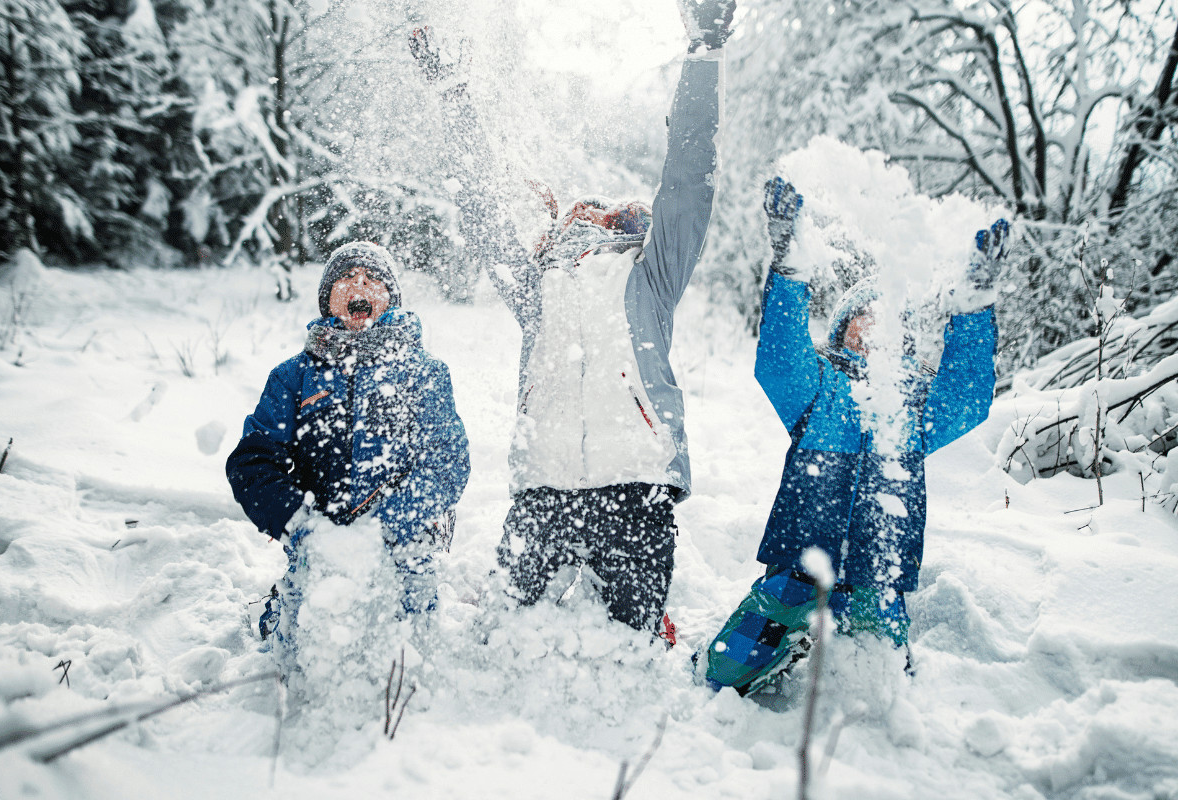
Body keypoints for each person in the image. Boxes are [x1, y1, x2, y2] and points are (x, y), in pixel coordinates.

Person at [408, 0, 736, 636]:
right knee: (502, 636)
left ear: (620, 222)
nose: (587, 215)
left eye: (601, 210)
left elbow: (688, 179)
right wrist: (451, 93)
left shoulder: (651, 275)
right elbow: (479, 210)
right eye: (575, 211)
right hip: (543, 488)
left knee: (628, 648)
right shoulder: (536, 290)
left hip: (635, 486)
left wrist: (703, 55)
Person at [702, 177, 1007, 694]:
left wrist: (974, 306)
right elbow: (778, 362)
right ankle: (781, 649)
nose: (873, 326)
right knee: (725, 671)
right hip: (802, 561)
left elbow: (968, 398)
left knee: (881, 686)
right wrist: (789, 272)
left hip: (878, 567)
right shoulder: (818, 384)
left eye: (885, 319)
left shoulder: (913, 402)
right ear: (842, 327)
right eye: (862, 317)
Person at [225, 241, 470, 652]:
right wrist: (302, 526)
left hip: (403, 541)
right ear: (328, 301)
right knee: (305, 650)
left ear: (389, 299)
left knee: (405, 653)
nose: (360, 283)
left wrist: (391, 524)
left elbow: (447, 462)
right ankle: (283, 606)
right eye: (346, 277)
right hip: (319, 544)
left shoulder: (424, 373)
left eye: (373, 279)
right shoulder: (294, 376)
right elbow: (252, 463)